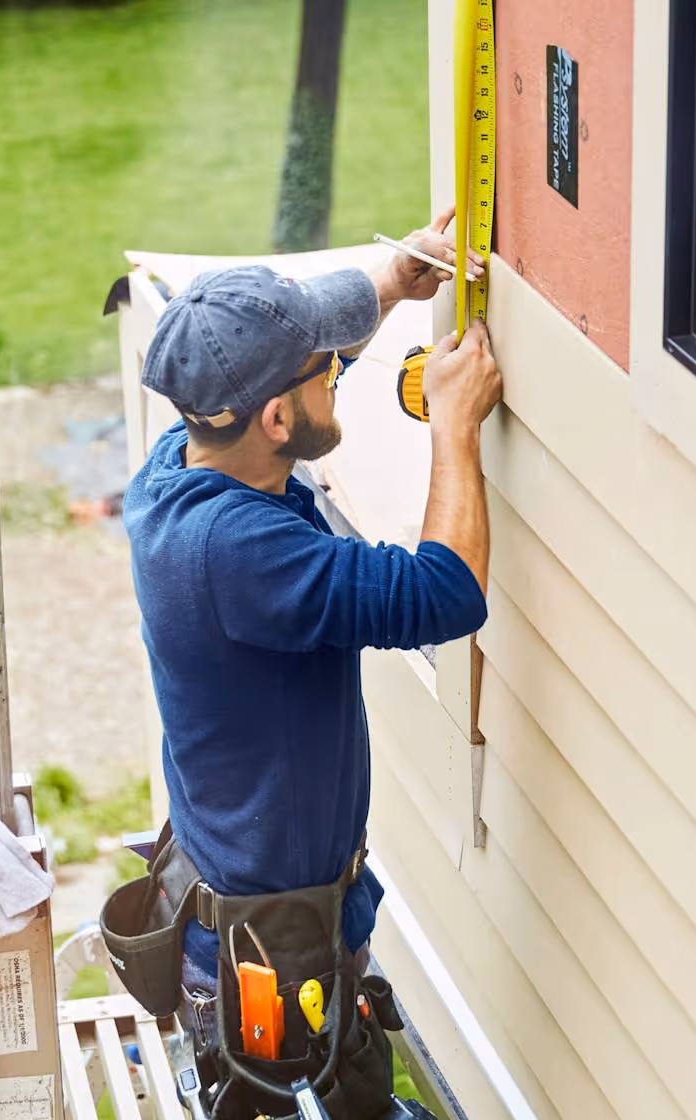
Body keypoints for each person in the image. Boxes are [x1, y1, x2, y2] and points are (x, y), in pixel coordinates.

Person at [121, 208, 502, 1031]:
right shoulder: (241, 554)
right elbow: (445, 593)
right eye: (323, 367)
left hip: (256, 907)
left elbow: (288, 368)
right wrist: (455, 427)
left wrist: (394, 283)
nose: (341, 366)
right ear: (277, 422)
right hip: (270, 960)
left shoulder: (181, 464)